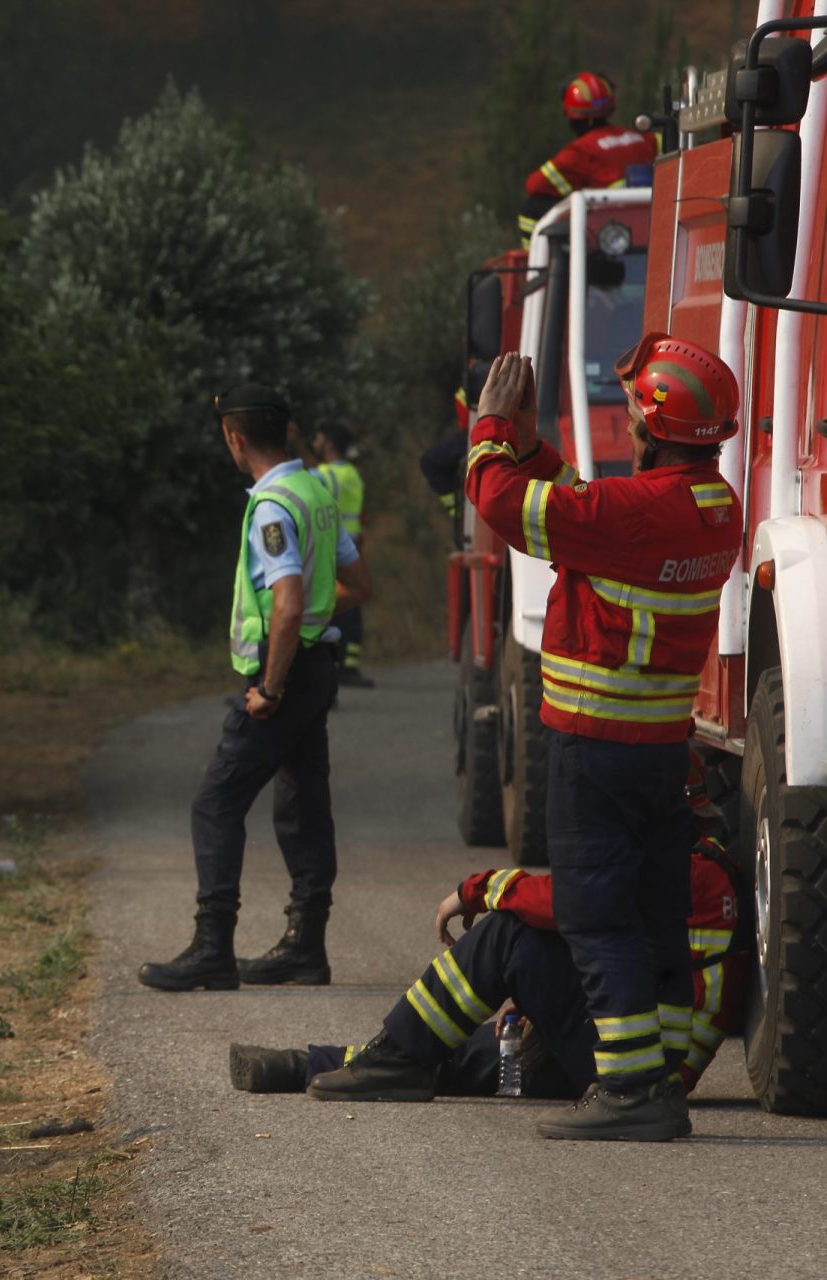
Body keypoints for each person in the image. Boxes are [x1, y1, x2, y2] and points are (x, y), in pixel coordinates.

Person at [459, 337, 739, 1140]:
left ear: (652, 425)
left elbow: (504, 503)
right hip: (655, 752)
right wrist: (530, 442)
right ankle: (660, 1083)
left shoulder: (635, 514)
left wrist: (489, 428)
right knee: (653, 916)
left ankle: (626, 1092)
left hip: (596, 749)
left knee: (594, 913)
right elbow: (584, 501)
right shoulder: (710, 506)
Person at [231, 751, 746, 1106]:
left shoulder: (691, 871)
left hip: (634, 1064)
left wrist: (480, 888)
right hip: (632, 1053)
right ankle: (305, 1066)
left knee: (509, 937)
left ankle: (387, 1059)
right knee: (467, 1053)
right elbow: (617, 944)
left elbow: (570, 905)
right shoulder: (695, 866)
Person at [137, 385, 373, 992]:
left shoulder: (272, 506)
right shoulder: (317, 491)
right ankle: (306, 947)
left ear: (233, 438)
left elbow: (287, 604)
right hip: (319, 667)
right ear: (287, 432)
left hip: (286, 676)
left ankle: (212, 947)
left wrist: (270, 685)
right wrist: (318, 624)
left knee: (215, 802)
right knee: (301, 802)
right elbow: (358, 581)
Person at [519, 72, 658, 246]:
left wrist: (575, 186)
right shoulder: (644, 139)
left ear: (571, 116)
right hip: (652, 221)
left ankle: (536, 264)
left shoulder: (580, 151)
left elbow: (535, 185)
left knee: (532, 208)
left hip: (608, 230)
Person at [310, 424, 371, 687]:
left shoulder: (325, 475)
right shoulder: (352, 475)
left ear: (330, 444)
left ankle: (330, 666)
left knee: (327, 607)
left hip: (330, 548)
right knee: (352, 606)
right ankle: (349, 665)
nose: (315, 442)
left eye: (319, 438)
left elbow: (300, 480)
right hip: (352, 545)